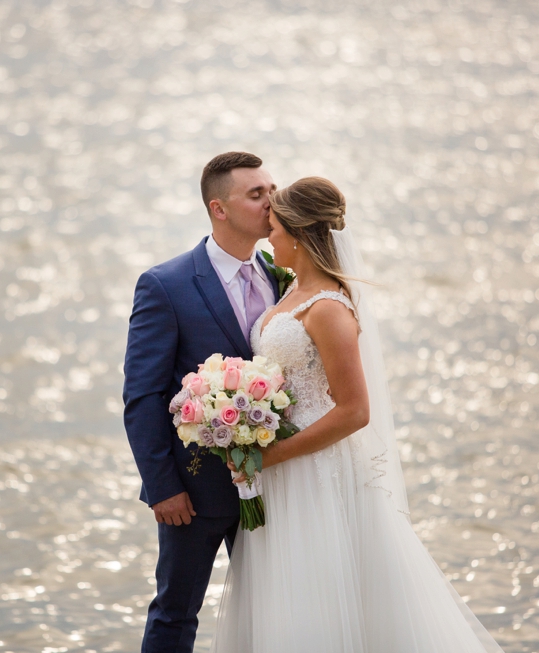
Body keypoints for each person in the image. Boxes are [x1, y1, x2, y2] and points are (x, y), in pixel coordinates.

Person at [210, 177, 505, 653]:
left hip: (314, 472)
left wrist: (272, 455)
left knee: (321, 598)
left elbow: (354, 411)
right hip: (282, 473)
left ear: (301, 235)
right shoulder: (288, 292)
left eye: (277, 228)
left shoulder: (327, 308)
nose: (270, 236)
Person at [122, 152, 279, 653]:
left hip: (275, 481)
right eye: (256, 194)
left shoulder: (281, 274)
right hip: (193, 492)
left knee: (273, 610)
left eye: (272, 189)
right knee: (175, 613)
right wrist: (162, 486)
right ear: (220, 208)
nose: (271, 202)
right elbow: (142, 395)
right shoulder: (164, 285)